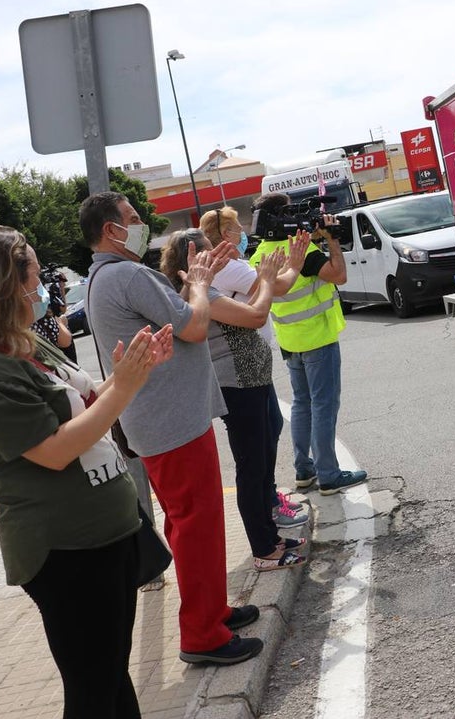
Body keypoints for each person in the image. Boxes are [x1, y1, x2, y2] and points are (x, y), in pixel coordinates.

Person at [0, 224, 167, 718]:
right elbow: (53, 451)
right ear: (3, 285)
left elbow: (87, 402)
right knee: (93, 692)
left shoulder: (23, 344)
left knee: (111, 681)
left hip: (105, 538)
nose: (44, 288)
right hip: (67, 552)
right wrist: (126, 388)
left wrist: (132, 372)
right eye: (36, 277)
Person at [79, 191, 263, 666]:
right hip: (172, 423)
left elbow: (177, 320)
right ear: (111, 230)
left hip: (164, 421)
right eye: (132, 218)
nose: (141, 224)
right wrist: (200, 283)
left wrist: (198, 284)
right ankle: (203, 635)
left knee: (191, 524)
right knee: (197, 527)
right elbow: (195, 327)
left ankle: (213, 612)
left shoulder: (107, 276)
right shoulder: (127, 274)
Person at [159, 229, 308, 571]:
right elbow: (256, 316)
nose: (218, 259)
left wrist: (288, 268)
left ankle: (271, 537)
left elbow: (262, 299)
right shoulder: (205, 296)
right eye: (209, 253)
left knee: (263, 457)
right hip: (238, 386)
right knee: (252, 466)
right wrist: (267, 279)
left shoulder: (206, 290)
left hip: (252, 382)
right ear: (192, 259)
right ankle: (264, 549)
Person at [250, 192, 367, 495]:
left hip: (290, 340)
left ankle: (304, 469)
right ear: (281, 216)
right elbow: (338, 275)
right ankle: (329, 474)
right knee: (324, 405)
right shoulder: (301, 252)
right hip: (318, 338)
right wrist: (332, 240)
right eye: (291, 212)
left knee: (302, 404)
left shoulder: (260, 253)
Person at [199, 206, 309, 526]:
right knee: (255, 449)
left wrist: (277, 271)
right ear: (224, 235)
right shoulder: (229, 268)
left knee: (268, 430)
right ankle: (267, 511)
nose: (243, 233)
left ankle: (269, 500)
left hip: (252, 366)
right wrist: (294, 265)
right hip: (241, 371)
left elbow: (267, 284)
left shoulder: (233, 265)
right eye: (237, 228)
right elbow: (275, 289)